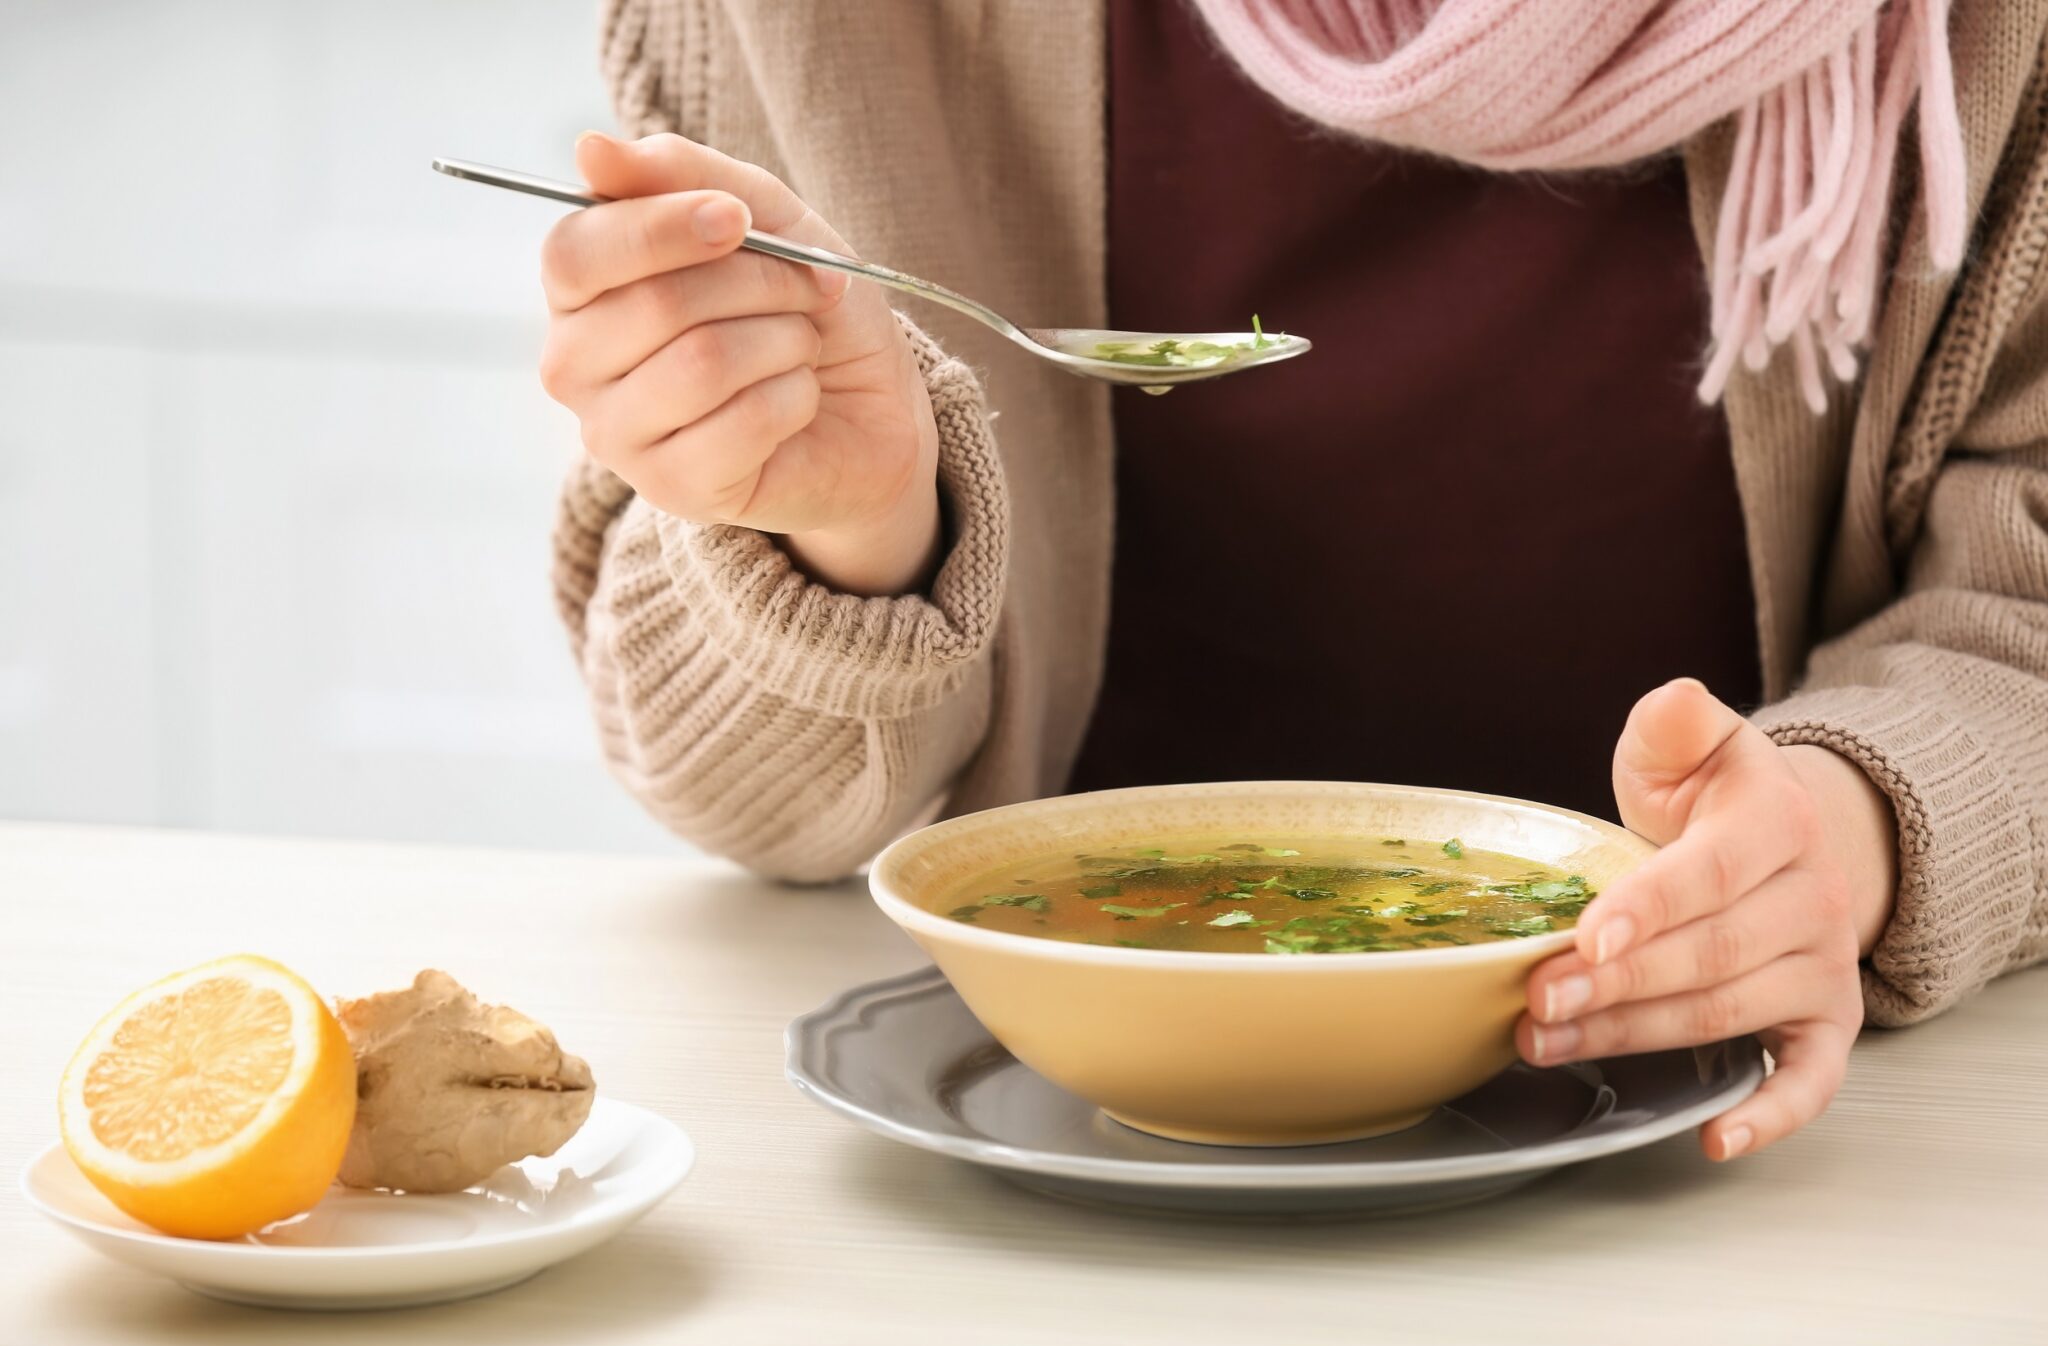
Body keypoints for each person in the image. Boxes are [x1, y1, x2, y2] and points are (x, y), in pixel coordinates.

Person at [540, 0, 2048, 1161]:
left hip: (1763, 1147)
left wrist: (1848, 836)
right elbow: (739, 799)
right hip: (1026, 1138)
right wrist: (844, 520)